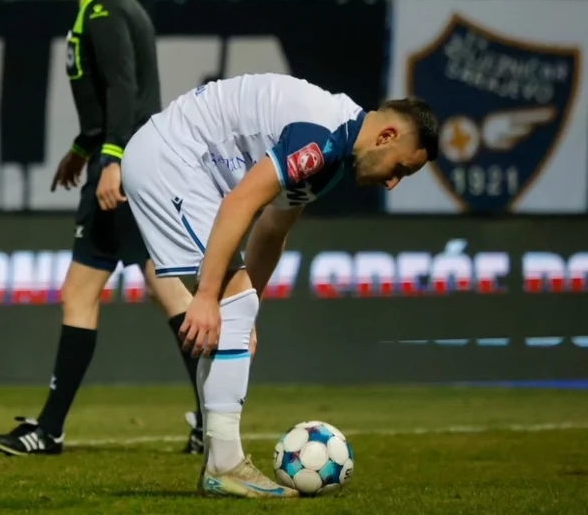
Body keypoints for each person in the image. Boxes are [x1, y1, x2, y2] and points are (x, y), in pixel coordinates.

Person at [121, 74, 438, 498]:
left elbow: (271, 230)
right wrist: (207, 296)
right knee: (228, 304)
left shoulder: (334, 151)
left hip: (179, 161)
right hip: (169, 159)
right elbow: (241, 203)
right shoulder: (321, 138)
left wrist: (245, 315)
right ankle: (225, 466)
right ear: (386, 135)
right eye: (400, 168)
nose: (393, 182)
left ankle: (222, 464)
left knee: (236, 310)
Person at [0, 0, 204, 457]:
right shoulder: (107, 8)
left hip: (125, 171)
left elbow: (125, 93)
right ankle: (213, 415)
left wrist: (110, 161)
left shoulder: (104, 12)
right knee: (167, 291)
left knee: (94, 293)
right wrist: (84, 149)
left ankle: (50, 430)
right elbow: (114, 101)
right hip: (134, 166)